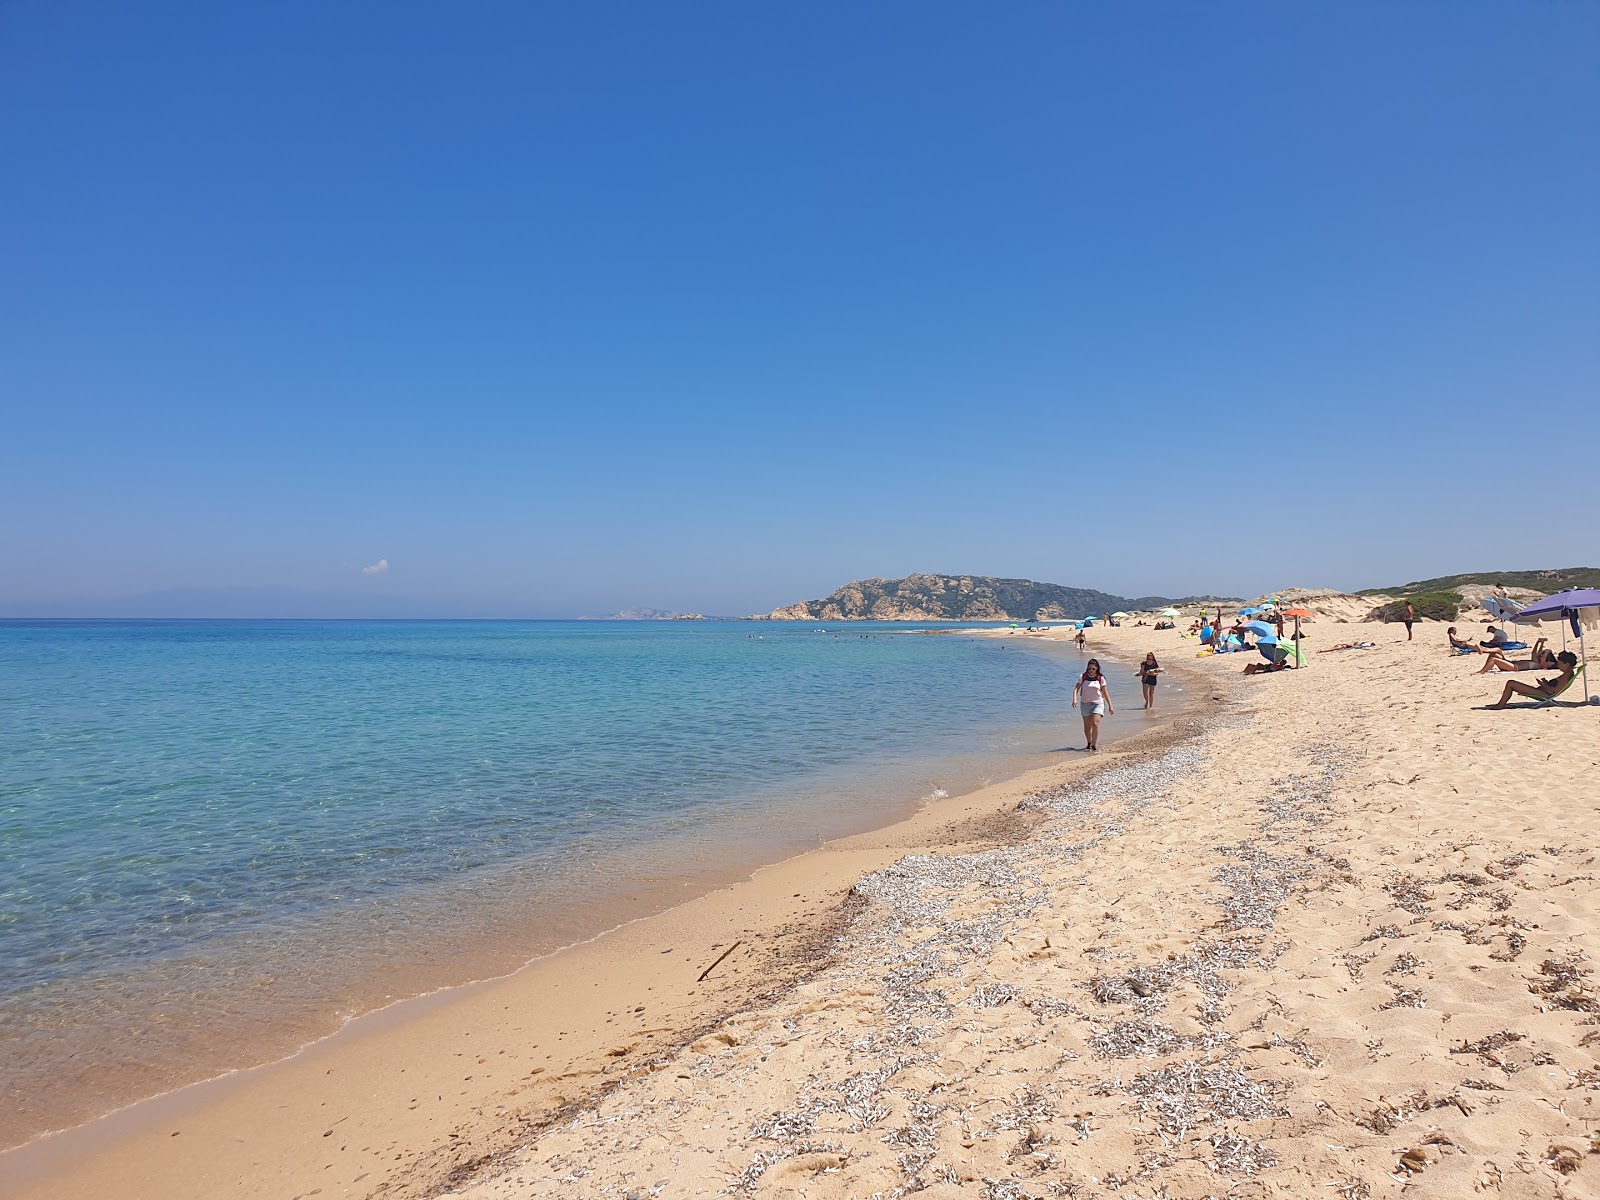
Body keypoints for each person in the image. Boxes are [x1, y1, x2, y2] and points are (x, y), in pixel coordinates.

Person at [1489, 651, 1579, 708]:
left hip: (1543, 694)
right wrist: (1546, 683)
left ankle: (1500, 705)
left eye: (1560, 664)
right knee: (1512, 683)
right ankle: (1501, 704)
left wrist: (1543, 684)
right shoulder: (1567, 674)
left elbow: (1555, 690)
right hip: (1542, 691)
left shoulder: (1567, 675)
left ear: (1567, 664)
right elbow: (1556, 687)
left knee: (1511, 683)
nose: (1558, 666)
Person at [1072, 658, 1113, 751]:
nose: (1091, 670)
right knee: (1087, 727)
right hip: (1085, 704)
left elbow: (1105, 693)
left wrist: (1110, 705)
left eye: (1093, 669)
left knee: (1095, 723)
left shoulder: (1100, 678)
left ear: (1097, 669)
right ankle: (1089, 742)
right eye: (1089, 668)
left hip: (1098, 703)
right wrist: (1074, 699)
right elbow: (1076, 689)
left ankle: (1094, 746)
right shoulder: (1083, 676)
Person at [1475, 639, 1553, 674]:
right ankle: (1483, 651)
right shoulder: (1536, 662)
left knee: (1494, 659)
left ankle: (1481, 672)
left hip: (1513, 667)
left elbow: (1543, 657)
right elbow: (1534, 652)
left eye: (1550, 663)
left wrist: (1547, 651)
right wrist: (1539, 642)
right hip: (1510, 663)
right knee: (1497, 651)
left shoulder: (1541, 666)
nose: (1548, 662)